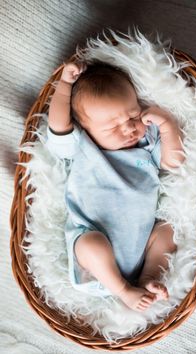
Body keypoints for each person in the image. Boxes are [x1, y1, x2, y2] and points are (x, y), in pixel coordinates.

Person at [46, 60, 185, 312]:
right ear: (87, 129)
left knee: (168, 231)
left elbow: (174, 162)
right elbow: (57, 125)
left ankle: (147, 278)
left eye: (133, 115)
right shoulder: (82, 146)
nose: (130, 128)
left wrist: (167, 125)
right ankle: (123, 290)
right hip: (94, 259)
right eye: (112, 127)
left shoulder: (146, 146)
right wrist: (65, 84)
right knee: (91, 243)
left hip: (141, 246)